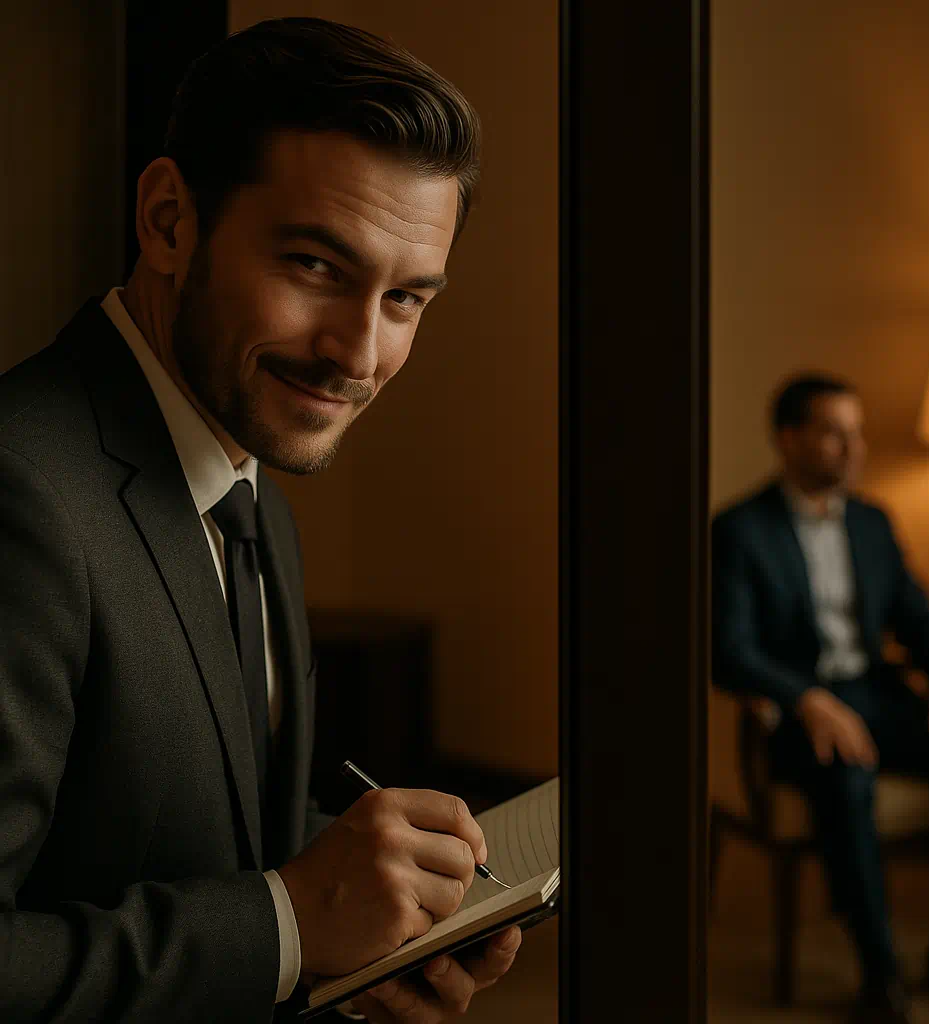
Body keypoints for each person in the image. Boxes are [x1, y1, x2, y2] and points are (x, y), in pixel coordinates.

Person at [0, 18, 522, 1023]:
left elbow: (194, 842)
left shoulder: (252, 497)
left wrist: (376, 918)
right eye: (317, 267)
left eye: (406, 298)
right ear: (166, 220)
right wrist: (290, 921)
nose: (358, 353)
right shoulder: (20, 494)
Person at [711, 374, 929, 1024]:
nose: (854, 447)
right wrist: (804, 696)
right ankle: (880, 972)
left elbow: (918, 616)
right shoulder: (740, 529)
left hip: (875, 694)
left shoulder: (872, 521)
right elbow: (730, 650)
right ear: (789, 439)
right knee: (847, 780)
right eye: (835, 432)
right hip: (794, 711)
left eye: (856, 432)